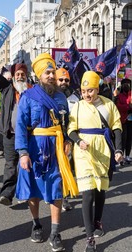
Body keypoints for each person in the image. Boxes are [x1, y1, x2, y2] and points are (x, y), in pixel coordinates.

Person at [15, 53, 78, 252]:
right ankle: (36, 224)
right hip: (34, 148)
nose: (51, 76)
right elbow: (20, 125)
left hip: (57, 148)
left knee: (56, 187)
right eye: (47, 73)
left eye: (52, 72)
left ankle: (55, 232)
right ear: (39, 74)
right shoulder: (28, 96)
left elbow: (67, 123)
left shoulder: (61, 97)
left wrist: (68, 140)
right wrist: (23, 153)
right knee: (33, 190)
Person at [67, 71, 123, 252]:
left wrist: (119, 150)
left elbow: (117, 128)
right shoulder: (77, 106)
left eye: (90, 90)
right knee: (88, 192)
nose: (87, 95)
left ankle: (98, 220)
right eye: (84, 91)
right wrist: (78, 141)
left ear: (97, 89)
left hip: (103, 150)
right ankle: (89, 238)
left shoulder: (109, 105)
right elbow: (71, 130)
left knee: (100, 190)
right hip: (83, 151)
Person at [0, 42, 32, 206]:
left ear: (26, 76)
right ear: (13, 76)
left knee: (28, 165)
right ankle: (7, 194)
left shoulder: (33, 91)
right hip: (10, 134)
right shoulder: (7, 88)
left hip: (28, 135)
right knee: (10, 165)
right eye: (17, 74)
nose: (19, 77)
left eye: (22, 74)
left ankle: (27, 192)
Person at [56, 67, 80, 211]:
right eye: (61, 79)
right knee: (54, 168)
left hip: (68, 138)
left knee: (66, 168)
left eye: (66, 80)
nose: (64, 82)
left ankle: (64, 197)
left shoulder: (74, 97)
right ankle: (54, 194)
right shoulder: (49, 95)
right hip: (52, 137)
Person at [113, 78, 132, 164]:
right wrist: (128, 107)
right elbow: (119, 107)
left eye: (128, 84)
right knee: (123, 138)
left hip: (130, 120)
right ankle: (121, 156)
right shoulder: (120, 96)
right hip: (123, 119)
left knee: (129, 138)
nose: (127, 86)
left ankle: (127, 155)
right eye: (125, 84)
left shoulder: (131, 94)